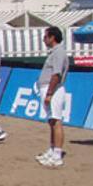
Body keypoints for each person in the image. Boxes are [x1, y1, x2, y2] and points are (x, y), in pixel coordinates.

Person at [35, 26, 69, 168]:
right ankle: (52, 149)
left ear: (52, 37)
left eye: (45, 36)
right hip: (47, 87)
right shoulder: (54, 52)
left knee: (56, 121)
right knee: (51, 121)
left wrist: (49, 93)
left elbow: (56, 74)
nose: (44, 39)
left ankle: (57, 155)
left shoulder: (59, 52)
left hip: (53, 89)